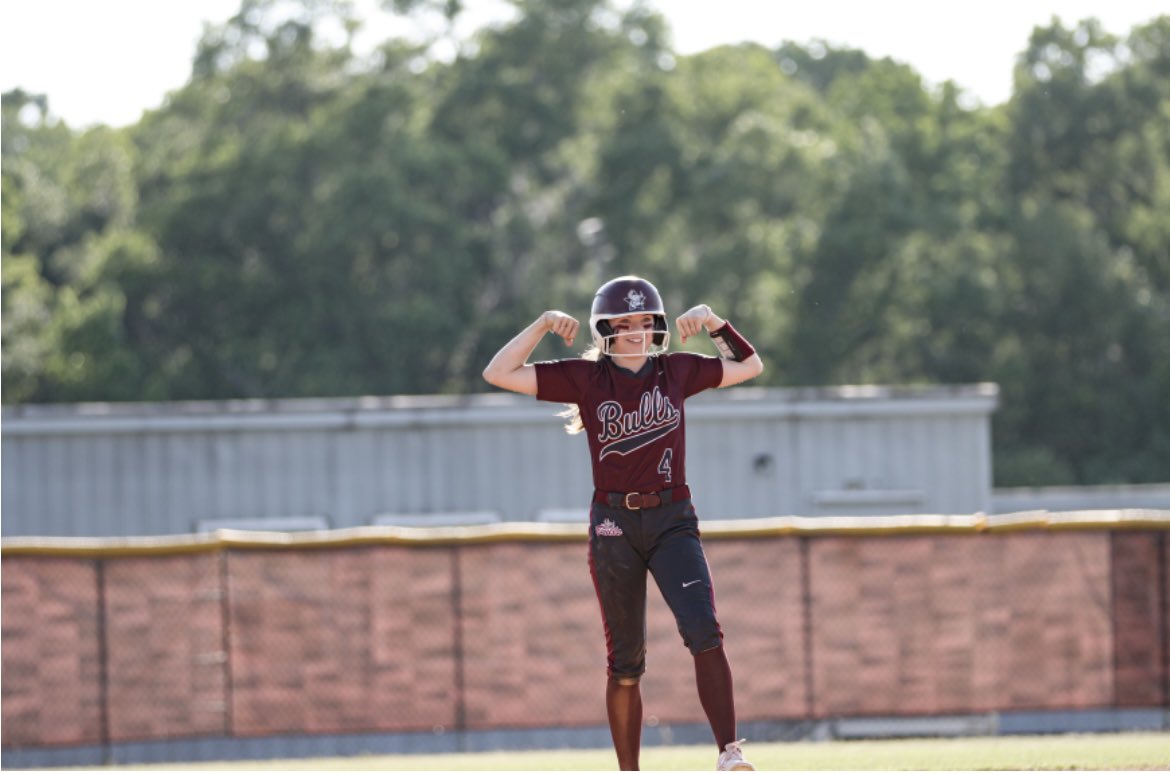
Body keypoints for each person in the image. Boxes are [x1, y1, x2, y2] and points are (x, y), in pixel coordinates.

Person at [482, 275, 764, 771]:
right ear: (603, 328)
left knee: (703, 629)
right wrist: (543, 323)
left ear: (657, 326)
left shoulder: (675, 370)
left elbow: (749, 365)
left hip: (672, 518)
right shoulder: (586, 379)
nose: (636, 330)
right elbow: (498, 372)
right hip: (613, 523)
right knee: (626, 661)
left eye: (644, 321)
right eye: (624, 322)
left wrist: (716, 322)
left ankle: (730, 753)